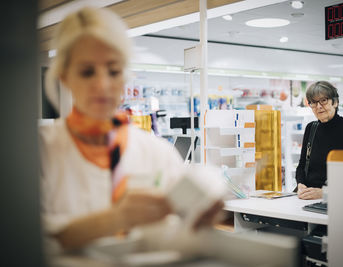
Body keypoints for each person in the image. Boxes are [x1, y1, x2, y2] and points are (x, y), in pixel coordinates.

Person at [40, 7, 222, 252]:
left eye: (113, 71)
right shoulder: (40, 150)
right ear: (64, 76)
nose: (103, 84)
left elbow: (188, 216)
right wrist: (116, 218)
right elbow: (23, 241)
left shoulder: (154, 151)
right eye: (87, 72)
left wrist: (207, 195)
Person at [295, 81, 343, 200]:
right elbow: (301, 166)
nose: (318, 106)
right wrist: (301, 185)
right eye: (313, 102)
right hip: (307, 198)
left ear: (335, 102)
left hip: (337, 199)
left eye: (323, 100)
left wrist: (324, 193)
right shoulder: (311, 128)